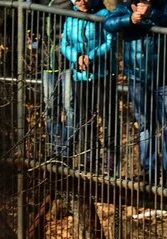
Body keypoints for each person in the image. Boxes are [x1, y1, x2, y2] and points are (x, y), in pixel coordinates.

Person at [104, 0, 167, 187]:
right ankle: (150, 171)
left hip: (166, 76)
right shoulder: (125, 6)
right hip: (137, 76)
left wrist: (152, 15)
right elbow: (108, 24)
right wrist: (130, 19)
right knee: (145, 124)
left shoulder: (166, 5)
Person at [61, 0, 119, 174]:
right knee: (85, 120)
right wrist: (77, 57)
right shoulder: (70, 17)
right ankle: (89, 161)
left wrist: (91, 57)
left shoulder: (104, 15)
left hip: (103, 75)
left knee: (108, 118)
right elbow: (65, 44)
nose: (83, 2)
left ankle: (110, 165)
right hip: (80, 76)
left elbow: (111, 42)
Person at [41, 1, 75, 161]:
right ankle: (56, 149)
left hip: (68, 62)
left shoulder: (69, 3)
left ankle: (66, 152)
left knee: (69, 105)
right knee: (50, 106)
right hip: (47, 62)